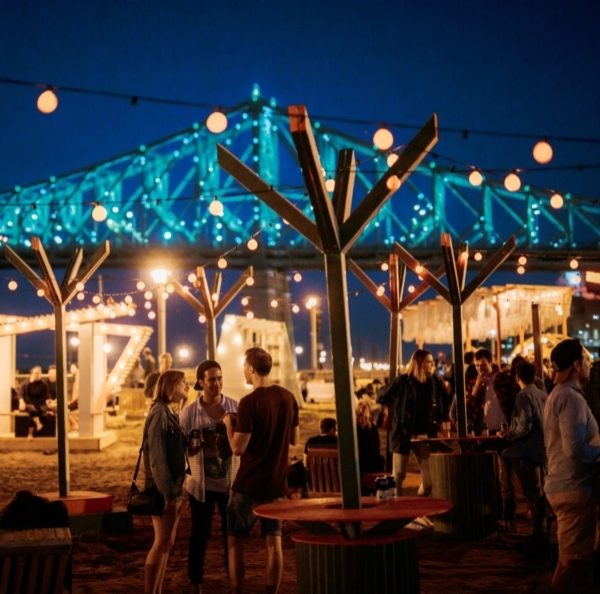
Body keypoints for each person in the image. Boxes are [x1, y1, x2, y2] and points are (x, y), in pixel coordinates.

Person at [224, 347, 299, 594]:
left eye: (245, 368)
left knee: (235, 540)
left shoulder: (249, 402)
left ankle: (237, 590)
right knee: (273, 541)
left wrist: (228, 425)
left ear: (251, 369)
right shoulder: (288, 398)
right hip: (277, 483)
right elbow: (294, 440)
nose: (244, 372)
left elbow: (237, 448)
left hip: (249, 484)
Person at [543, 338, 600, 592]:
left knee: (578, 561)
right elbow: (575, 448)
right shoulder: (570, 398)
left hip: (565, 485)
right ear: (576, 365)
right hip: (573, 486)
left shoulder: (560, 395)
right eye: (586, 360)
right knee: (570, 563)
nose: (589, 364)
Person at [179, 360, 238, 594]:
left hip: (230, 483)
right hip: (200, 485)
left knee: (231, 534)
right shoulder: (189, 414)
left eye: (220, 378)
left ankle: (233, 578)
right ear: (201, 382)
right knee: (199, 534)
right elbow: (180, 447)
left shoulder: (235, 407)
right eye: (211, 379)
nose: (217, 383)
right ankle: (196, 581)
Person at [142, 369, 189, 594]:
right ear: (170, 386)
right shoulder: (159, 414)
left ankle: (157, 589)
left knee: (166, 543)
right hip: (164, 489)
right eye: (183, 383)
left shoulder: (169, 412)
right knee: (161, 543)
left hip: (174, 486)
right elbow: (157, 459)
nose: (187, 387)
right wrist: (169, 495)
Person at [378, 349, 447, 496]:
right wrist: (395, 409)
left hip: (424, 435)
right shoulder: (403, 380)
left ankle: (418, 506)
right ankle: (398, 511)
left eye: (432, 362)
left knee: (429, 482)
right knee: (398, 476)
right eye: (428, 362)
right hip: (403, 434)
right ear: (419, 364)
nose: (432, 365)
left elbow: (445, 401)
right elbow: (382, 396)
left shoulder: (434, 382)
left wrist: (441, 420)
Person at [499, 360, 548, 537]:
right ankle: (541, 529)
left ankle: (538, 532)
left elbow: (524, 425)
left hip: (526, 452)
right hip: (541, 450)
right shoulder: (542, 394)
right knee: (540, 491)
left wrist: (507, 436)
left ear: (517, 377)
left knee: (532, 493)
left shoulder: (523, 396)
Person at [466, 348, 506, 435]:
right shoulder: (473, 383)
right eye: (477, 365)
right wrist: (476, 387)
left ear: (490, 363)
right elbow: (468, 410)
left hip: (503, 430)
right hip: (483, 431)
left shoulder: (502, 379)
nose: (480, 368)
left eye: (483, 365)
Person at [355, 398, 384, 476]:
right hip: (370, 466)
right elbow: (375, 449)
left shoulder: (354, 428)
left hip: (357, 466)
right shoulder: (371, 428)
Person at [19, 365, 50, 439]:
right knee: (31, 408)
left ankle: (30, 434)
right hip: (29, 404)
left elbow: (45, 397)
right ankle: (38, 423)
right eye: (35, 373)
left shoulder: (44, 384)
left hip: (40, 404)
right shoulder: (26, 383)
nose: (37, 375)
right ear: (31, 373)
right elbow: (23, 394)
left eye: (39, 373)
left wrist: (40, 403)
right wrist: (30, 383)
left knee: (33, 412)